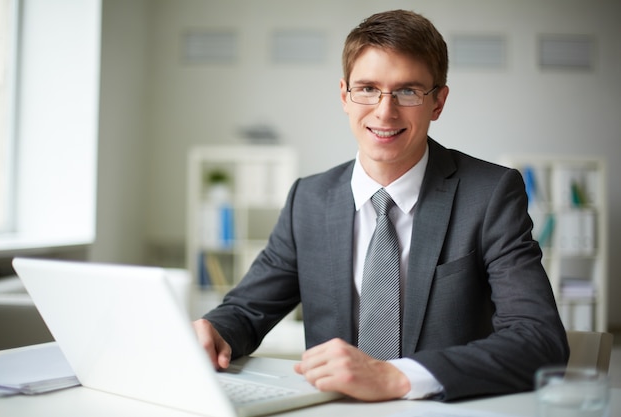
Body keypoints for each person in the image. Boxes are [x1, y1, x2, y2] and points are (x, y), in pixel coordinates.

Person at [193, 9, 569, 402]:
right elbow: (247, 309)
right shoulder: (309, 199)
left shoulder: (490, 194)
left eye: (407, 91)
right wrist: (213, 330)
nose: (384, 111)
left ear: (438, 102)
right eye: (368, 88)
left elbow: (539, 338)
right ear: (345, 95)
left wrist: (397, 377)